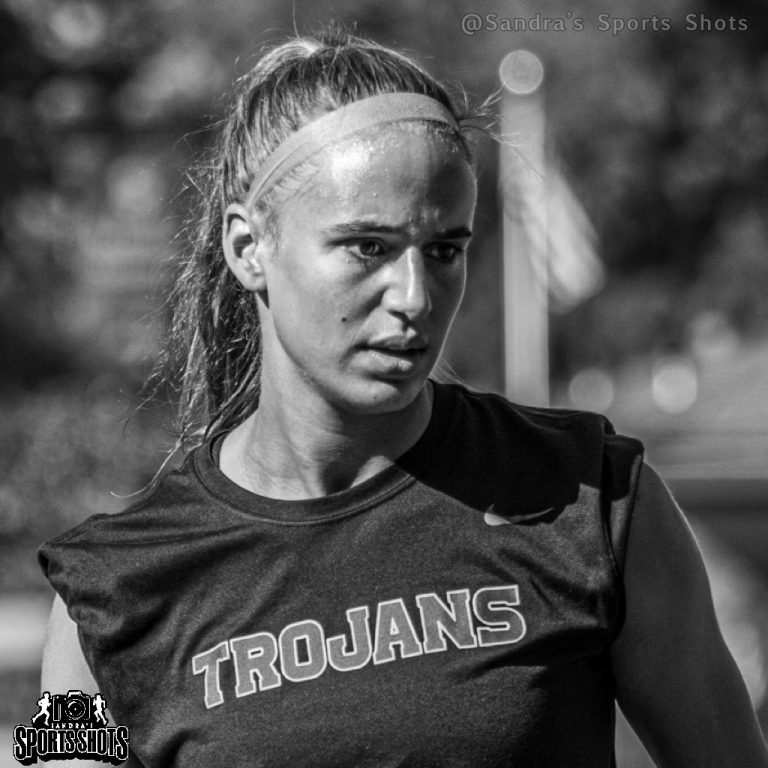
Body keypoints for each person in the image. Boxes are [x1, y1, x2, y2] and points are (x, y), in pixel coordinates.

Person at [38, 30, 767, 768]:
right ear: (248, 247)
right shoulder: (103, 593)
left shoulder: (596, 498)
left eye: (445, 250)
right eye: (369, 247)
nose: (415, 297)